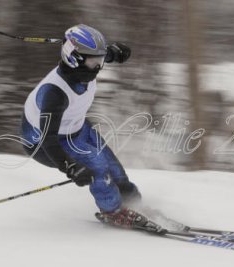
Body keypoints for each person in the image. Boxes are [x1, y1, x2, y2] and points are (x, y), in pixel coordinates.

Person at [21, 24, 144, 227]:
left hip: (76, 126)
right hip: (45, 143)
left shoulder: (83, 65)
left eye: (101, 60)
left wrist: (116, 53)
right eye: (94, 61)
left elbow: (98, 55)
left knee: (115, 170)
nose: (98, 66)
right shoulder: (54, 93)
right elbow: (48, 139)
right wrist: (69, 166)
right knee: (99, 168)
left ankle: (132, 203)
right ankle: (113, 212)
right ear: (74, 58)